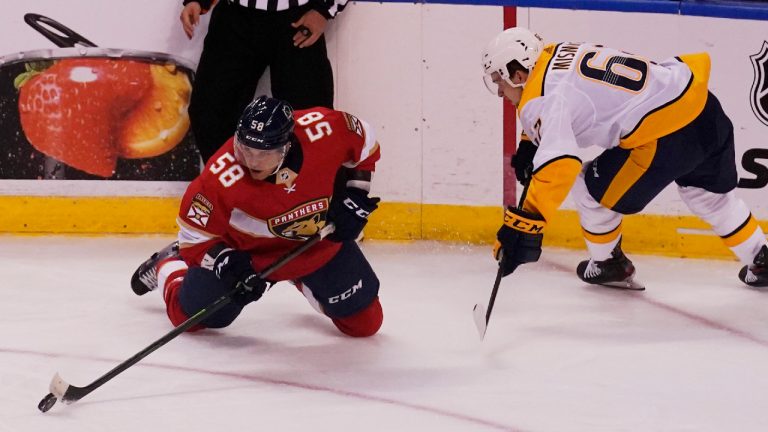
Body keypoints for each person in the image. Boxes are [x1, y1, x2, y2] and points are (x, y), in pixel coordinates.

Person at [481, 27, 768, 289]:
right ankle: (761, 256)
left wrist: (525, 226)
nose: (499, 92)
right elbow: (563, 97)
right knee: (709, 197)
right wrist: (531, 142)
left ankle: (609, 264)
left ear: (517, 75)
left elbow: (560, 165)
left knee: (590, 192)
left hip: (664, 136)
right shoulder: (554, 51)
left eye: (499, 81)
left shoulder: (540, 99)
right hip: (703, 106)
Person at [130, 96, 383, 337]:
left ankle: (299, 276)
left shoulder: (324, 129)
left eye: (263, 154)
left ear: (286, 146)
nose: (251, 161)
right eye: (245, 149)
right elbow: (194, 237)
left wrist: (356, 195)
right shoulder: (219, 178)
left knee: (365, 323)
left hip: (315, 245)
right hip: (247, 257)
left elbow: (365, 142)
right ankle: (170, 264)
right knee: (192, 318)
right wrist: (226, 263)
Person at [180, 0, 343, 162]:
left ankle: (308, 186)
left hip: (297, 18)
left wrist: (324, 9)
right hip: (235, 15)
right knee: (211, 111)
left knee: (310, 119)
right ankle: (233, 185)